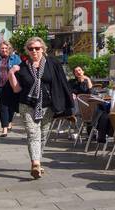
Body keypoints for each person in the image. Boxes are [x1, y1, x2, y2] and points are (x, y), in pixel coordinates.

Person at [8, 36, 74, 179]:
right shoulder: (23, 66)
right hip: (27, 105)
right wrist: (11, 73)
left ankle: (38, 161)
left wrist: (68, 98)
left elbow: (62, 81)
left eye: (37, 48)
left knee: (43, 135)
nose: (34, 51)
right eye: (31, 49)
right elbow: (16, 89)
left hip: (47, 106)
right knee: (33, 134)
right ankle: (35, 164)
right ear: (27, 51)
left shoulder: (53, 63)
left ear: (43, 49)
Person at [0, 39, 21, 137]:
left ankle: (9, 122)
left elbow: (20, 71)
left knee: (11, 107)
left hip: (12, 86)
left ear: (9, 49)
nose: (4, 50)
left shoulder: (15, 58)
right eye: (2, 48)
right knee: (3, 107)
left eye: (6, 48)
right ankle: (4, 128)